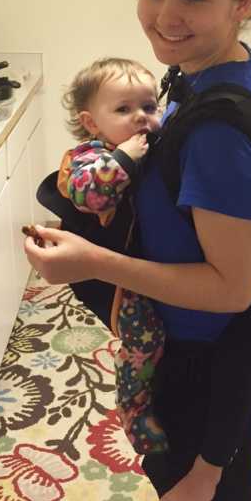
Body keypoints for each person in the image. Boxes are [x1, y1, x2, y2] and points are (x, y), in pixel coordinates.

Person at [25, 0, 251, 501]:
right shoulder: (198, 74)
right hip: (181, 346)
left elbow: (233, 288)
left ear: (242, 2)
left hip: (199, 360)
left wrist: (90, 261)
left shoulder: (219, 129)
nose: (165, 16)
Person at [57, 58, 168, 455]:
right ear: (91, 122)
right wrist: (123, 157)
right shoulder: (86, 156)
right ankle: (134, 409)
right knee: (144, 339)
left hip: (148, 258)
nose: (140, 118)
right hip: (120, 277)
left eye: (149, 107)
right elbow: (91, 194)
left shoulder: (145, 142)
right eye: (123, 110)